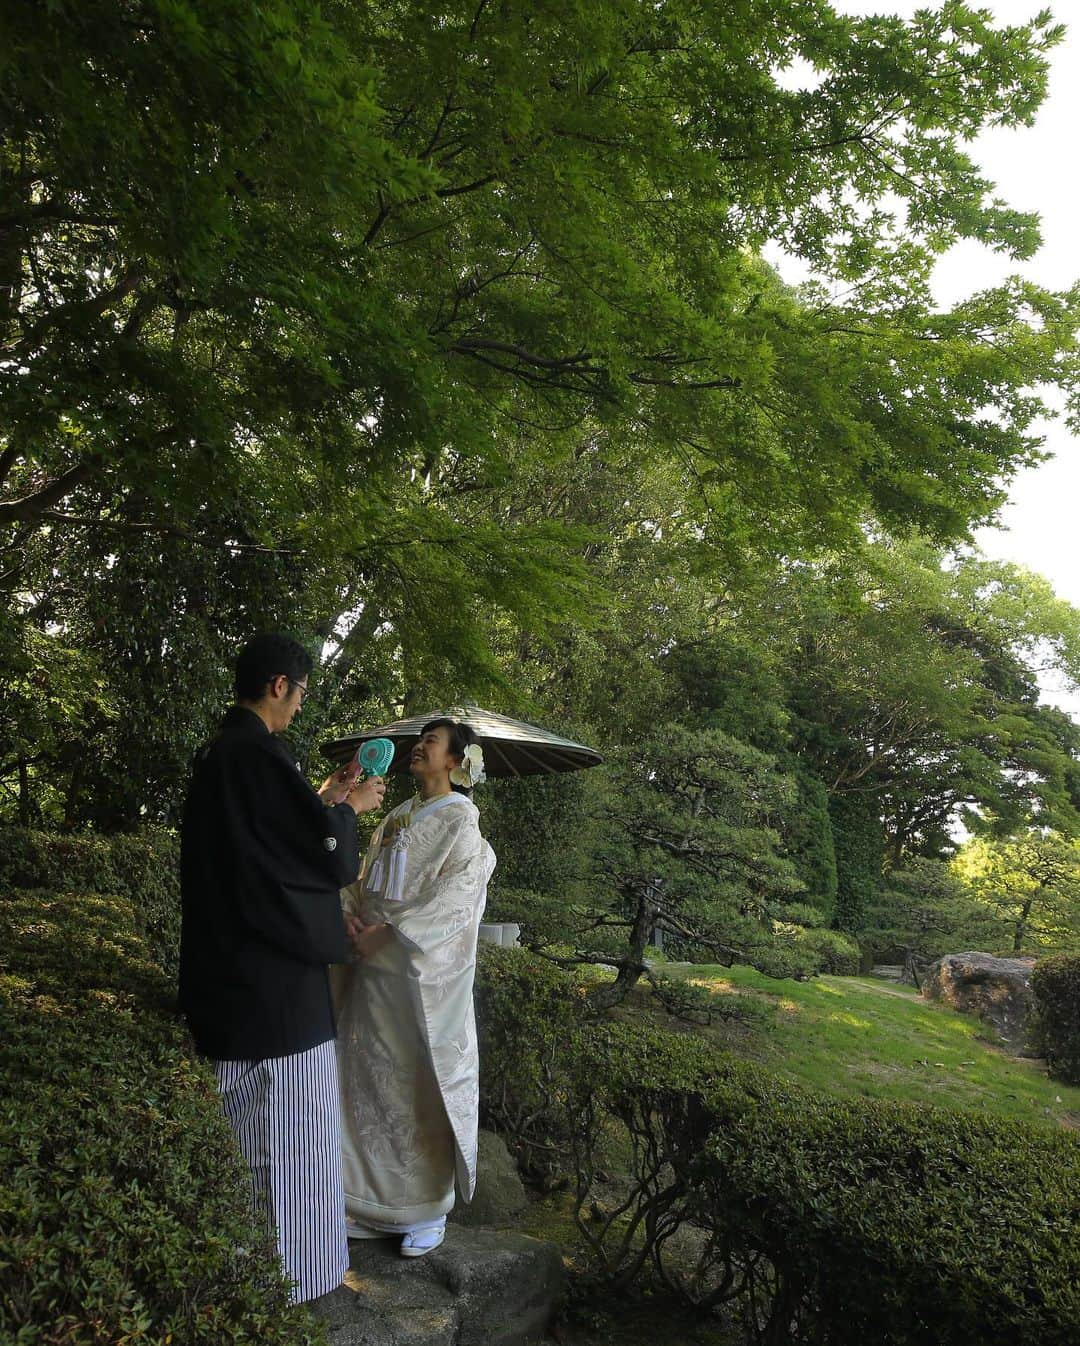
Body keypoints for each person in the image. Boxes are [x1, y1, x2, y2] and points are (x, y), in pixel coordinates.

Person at [179, 632, 386, 1303]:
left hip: (228, 973)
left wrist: (322, 798)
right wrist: (347, 813)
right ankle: (286, 1282)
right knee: (286, 1141)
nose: (299, 707)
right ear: (278, 686)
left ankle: (244, 1272)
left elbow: (270, 847)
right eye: (299, 695)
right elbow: (324, 861)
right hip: (274, 994)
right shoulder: (260, 756)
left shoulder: (225, 754)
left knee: (244, 1138)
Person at [336, 718, 495, 1257]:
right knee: (366, 1081)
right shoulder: (398, 815)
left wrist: (392, 935)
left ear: (455, 761)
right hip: (371, 968)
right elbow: (364, 880)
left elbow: (458, 901)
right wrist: (352, 919)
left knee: (418, 1084)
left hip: (417, 974)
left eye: (432, 742)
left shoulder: (462, 822)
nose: (419, 747)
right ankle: (366, 1201)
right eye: (420, 740)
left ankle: (429, 1208)